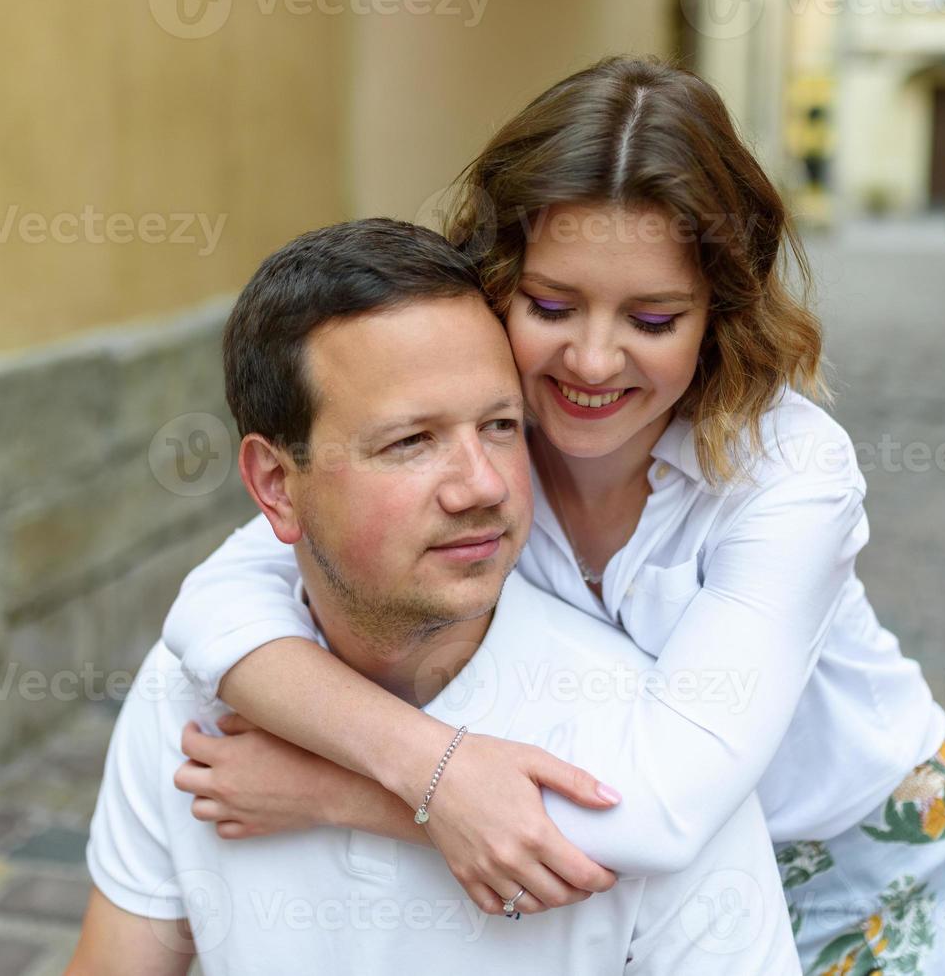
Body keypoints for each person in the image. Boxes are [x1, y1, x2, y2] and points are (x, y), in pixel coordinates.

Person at [161, 57, 945, 973]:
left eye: (654, 320)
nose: (591, 362)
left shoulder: (788, 471)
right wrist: (429, 762)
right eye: (551, 305)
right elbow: (213, 608)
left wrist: (350, 791)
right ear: (498, 278)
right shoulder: (485, 449)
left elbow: (663, 809)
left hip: (890, 862)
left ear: (720, 315)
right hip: (659, 903)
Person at [67, 218, 801, 975]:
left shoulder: (648, 749)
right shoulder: (189, 699)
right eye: (410, 442)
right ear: (276, 487)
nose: (481, 486)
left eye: (501, 426)